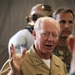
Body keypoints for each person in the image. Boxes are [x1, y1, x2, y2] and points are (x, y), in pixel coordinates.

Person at [0, 17, 67, 75]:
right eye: (45, 34)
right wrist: (14, 72)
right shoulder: (17, 62)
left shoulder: (60, 64)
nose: (50, 39)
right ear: (34, 35)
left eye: (54, 35)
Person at [52, 7, 74, 72]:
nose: (67, 26)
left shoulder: (74, 49)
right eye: (62, 22)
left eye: (70, 22)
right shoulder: (47, 48)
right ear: (54, 24)